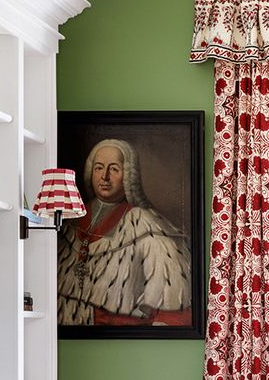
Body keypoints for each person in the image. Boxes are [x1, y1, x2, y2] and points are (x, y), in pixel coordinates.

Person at [58, 138, 192, 326]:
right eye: (98, 168)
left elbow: (171, 309)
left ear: (128, 175)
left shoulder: (145, 224)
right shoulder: (70, 220)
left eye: (114, 169)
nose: (104, 177)